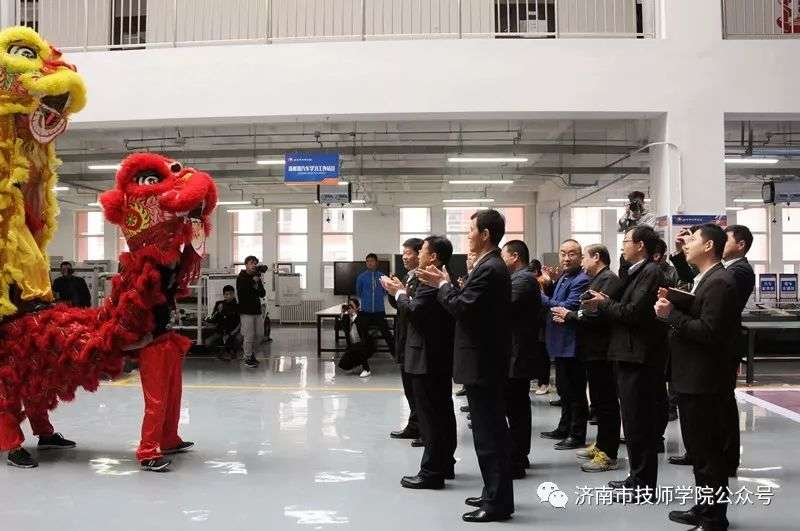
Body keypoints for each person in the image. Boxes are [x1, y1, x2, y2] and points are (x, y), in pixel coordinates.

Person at [417, 209, 514, 523]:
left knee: (490, 436)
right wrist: (448, 286)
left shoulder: (490, 268)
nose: (467, 235)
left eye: (471, 229)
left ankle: (497, 502)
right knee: (489, 434)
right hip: (483, 361)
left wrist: (443, 285)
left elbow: (462, 307)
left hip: (483, 363)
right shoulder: (488, 266)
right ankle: (492, 492)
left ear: (485, 234)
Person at [655, 224, 740, 531]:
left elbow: (709, 332)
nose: (686, 244)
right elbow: (701, 313)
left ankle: (715, 517)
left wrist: (670, 315)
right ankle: (704, 507)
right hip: (693, 379)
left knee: (708, 455)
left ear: (708, 247)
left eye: (692, 240)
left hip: (705, 382)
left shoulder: (720, 282)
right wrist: (679, 302)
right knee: (700, 452)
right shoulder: (707, 279)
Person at [583, 225, 667, 501]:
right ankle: (636, 477)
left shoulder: (651, 272)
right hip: (627, 354)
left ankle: (644, 485)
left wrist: (604, 305)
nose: (623, 246)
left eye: (627, 241)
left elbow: (634, 313)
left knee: (639, 422)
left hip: (639, 356)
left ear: (641, 245)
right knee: (631, 422)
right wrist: (607, 302)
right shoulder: (635, 272)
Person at [383, 236, 457, 490]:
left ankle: (431, 472)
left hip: (426, 356)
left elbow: (415, 311)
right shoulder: (436, 278)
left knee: (432, 417)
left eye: (422, 251)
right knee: (442, 413)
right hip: (435, 355)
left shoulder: (429, 280)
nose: (416, 255)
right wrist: (401, 292)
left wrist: (400, 292)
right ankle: (445, 464)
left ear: (432, 256)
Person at [552, 244, 623, 473]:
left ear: (597, 257)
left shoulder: (609, 280)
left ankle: (608, 453)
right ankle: (601, 445)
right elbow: (587, 308)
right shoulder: (597, 279)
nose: (581, 262)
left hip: (602, 350)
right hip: (591, 350)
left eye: (584, 257)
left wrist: (570, 314)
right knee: (600, 403)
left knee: (606, 403)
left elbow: (595, 312)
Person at [539, 240, 591, 451]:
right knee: (564, 390)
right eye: (563, 254)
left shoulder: (581, 279)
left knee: (576, 392)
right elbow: (557, 303)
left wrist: (539, 296)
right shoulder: (564, 277)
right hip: (560, 343)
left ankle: (577, 434)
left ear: (580, 257)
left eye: (572, 254)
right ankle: (564, 427)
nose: (566, 258)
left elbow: (567, 306)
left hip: (573, 344)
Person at [500, 240, 542, 478]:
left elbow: (503, 308)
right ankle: (518, 455)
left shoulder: (523, 279)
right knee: (516, 407)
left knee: (515, 407)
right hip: (516, 352)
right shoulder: (519, 279)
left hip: (518, 353)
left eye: (504, 256)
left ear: (514, 256)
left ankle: (517, 457)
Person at [387, 238, 424, 443]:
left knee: (417, 390)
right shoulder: (409, 276)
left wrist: (400, 292)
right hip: (405, 338)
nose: (404, 256)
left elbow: (414, 307)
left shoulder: (422, 278)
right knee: (409, 388)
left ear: (420, 254)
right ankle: (415, 424)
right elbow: (401, 305)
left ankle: (422, 428)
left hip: (415, 340)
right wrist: (394, 292)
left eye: (408, 253)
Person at [355, 253, 394, 377]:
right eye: (367, 261)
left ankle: (399, 359)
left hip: (379, 312)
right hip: (365, 312)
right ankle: (366, 368)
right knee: (363, 339)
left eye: (372, 261)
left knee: (388, 335)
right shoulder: (361, 277)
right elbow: (359, 292)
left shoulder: (382, 276)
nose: (370, 263)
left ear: (376, 262)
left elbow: (386, 291)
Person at [236, 256, 266, 368]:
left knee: (260, 335)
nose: (253, 265)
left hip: (257, 311)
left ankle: (251, 354)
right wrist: (252, 282)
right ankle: (247, 357)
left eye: (255, 263)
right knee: (249, 336)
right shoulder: (241, 277)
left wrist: (257, 284)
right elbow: (243, 292)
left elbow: (262, 293)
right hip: (246, 311)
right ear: (246, 264)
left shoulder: (256, 277)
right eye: (251, 263)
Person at [528, 259, 552, 395]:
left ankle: (544, 383)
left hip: (542, 324)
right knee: (536, 354)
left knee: (543, 354)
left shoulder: (544, 282)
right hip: (534, 324)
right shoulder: (534, 282)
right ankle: (539, 381)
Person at [206, 285, 242, 361]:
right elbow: (214, 318)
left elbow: (241, 322)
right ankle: (220, 352)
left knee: (239, 338)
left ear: (233, 294)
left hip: (233, 331)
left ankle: (233, 351)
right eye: (226, 294)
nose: (229, 296)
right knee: (208, 342)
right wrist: (218, 311)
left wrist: (234, 332)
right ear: (224, 295)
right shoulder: (219, 304)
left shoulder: (238, 306)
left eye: (231, 294)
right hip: (221, 330)